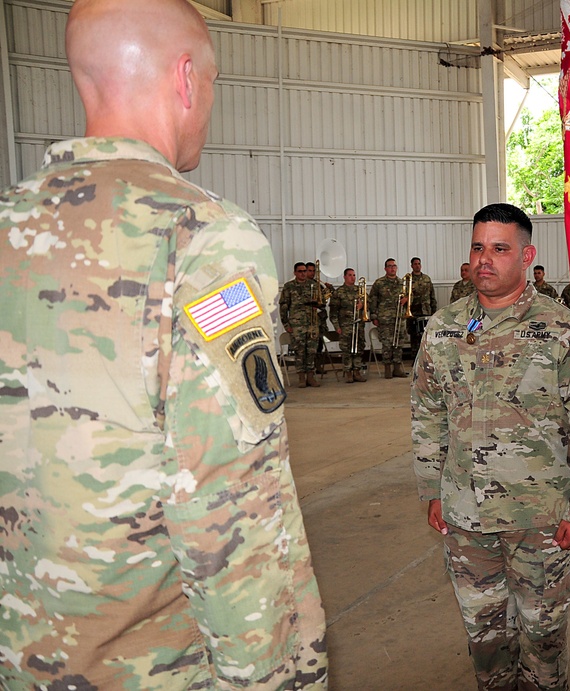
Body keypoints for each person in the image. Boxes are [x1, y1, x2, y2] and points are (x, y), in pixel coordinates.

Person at [0, 0, 328, 687]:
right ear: (185, 79)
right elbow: (229, 506)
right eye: (211, 83)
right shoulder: (202, 238)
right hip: (154, 665)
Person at [412, 203, 570, 690]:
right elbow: (427, 412)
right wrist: (431, 489)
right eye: (478, 247)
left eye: (500, 249)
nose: (486, 259)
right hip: (464, 514)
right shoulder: (444, 327)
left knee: (544, 636)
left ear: (527, 256)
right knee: (484, 638)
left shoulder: (562, 329)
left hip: (541, 517)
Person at [280, 261, 324, 387]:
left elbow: (321, 303)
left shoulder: (313, 285)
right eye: (300, 271)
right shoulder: (289, 286)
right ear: (295, 273)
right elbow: (283, 307)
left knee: (311, 351)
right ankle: (301, 377)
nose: (303, 273)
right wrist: (286, 324)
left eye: (305, 271)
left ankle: (310, 376)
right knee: (299, 351)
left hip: (312, 323)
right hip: (297, 325)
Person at [369, 257, 408, 378]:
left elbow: (409, 298)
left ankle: (397, 368)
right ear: (385, 268)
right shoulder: (379, 283)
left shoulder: (402, 283)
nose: (392, 268)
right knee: (387, 344)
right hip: (384, 318)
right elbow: (372, 300)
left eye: (394, 266)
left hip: (399, 317)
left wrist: (407, 299)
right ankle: (387, 368)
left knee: (399, 343)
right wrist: (374, 316)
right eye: (390, 266)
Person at [329, 267, 368, 382]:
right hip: (345, 326)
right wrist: (337, 327)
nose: (353, 277)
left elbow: (369, 304)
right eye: (350, 275)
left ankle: (357, 371)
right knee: (347, 349)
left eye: (354, 275)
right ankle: (348, 372)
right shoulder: (339, 292)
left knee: (359, 348)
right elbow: (333, 312)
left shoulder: (360, 290)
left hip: (358, 325)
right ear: (345, 277)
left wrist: (363, 306)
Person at [306, 260, 333, 376]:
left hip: (320, 319)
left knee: (320, 344)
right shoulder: (302, 285)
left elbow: (328, 298)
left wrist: (329, 289)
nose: (312, 273)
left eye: (313, 271)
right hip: (309, 320)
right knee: (309, 345)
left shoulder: (319, 284)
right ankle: (308, 368)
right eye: (310, 271)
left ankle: (318, 366)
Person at [407, 256, 437, 351]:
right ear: (411, 266)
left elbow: (432, 295)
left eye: (419, 264)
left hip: (426, 311)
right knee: (414, 335)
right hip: (413, 312)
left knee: (426, 334)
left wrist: (434, 311)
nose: (417, 266)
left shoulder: (426, 279)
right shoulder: (408, 279)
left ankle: (425, 356)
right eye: (415, 264)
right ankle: (414, 356)